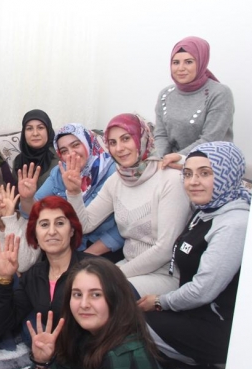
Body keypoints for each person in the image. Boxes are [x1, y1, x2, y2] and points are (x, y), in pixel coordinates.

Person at [0, 257, 160, 369]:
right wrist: (43, 362)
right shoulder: (84, 333)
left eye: (96, 295)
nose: (84, 304)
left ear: (116, 299)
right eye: (77, 294)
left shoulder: (122, 365)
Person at [138, 141, 250, 369]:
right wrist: (181, 160)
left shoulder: (233, 224)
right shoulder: (207, 211)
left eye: (205, 173)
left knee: (133, 323)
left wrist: (159, 301)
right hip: (197, 312)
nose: (193, 182)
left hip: (221, 327)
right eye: (188, 174)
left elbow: (202, 291)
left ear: (227, 174)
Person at [60, 113, 191, 297]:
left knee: (101, 295)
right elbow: (85, 224)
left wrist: (115, 275)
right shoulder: (116, 181)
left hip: (163, 274)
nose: (119, 148)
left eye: (126, 139)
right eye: (112, 142)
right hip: (127, 268)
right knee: (73, 289)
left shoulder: (170, 178)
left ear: (142, 138)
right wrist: (74, 193)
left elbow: (165, 249)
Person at [0, 195, 94, 347]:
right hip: (54, 356)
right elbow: (8, 322)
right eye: (44, 224)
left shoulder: (96, 270)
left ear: (72, 230)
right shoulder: (33, 276)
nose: (52, 231)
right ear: (35, 233)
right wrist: (4, 278)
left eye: (60, 223)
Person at [19, 123, 124, 261]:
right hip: (67, 245)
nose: (71, 154)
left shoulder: (113, 172)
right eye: (64, 151)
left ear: (88, 142)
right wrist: (27, 198)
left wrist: (83, 257)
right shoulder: (60, 172)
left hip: (102, 249)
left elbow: (122, 228)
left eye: (76, 145)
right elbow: (32, 211)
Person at [154, 36, 234, 159]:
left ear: (201, 62)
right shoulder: (165, 94)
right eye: (176, 62)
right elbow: (161, 135)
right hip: (171, 162)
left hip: (209, 163)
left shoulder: (219, 93)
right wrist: (160, 159)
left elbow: (210, 139)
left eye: (188, 62)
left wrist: (179, 157)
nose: (181, 68)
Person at [0, 177, 41, 296]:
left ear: (8, 192)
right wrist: (4, 264)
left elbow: (23, 265)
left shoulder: (30, 223)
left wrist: (9, 218)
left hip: (29, 293)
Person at [12, 109, 59, 187]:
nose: (35, 133)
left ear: (48, 130)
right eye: (29, 128)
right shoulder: (18, 161)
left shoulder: (59, 158)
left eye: (40, 128)